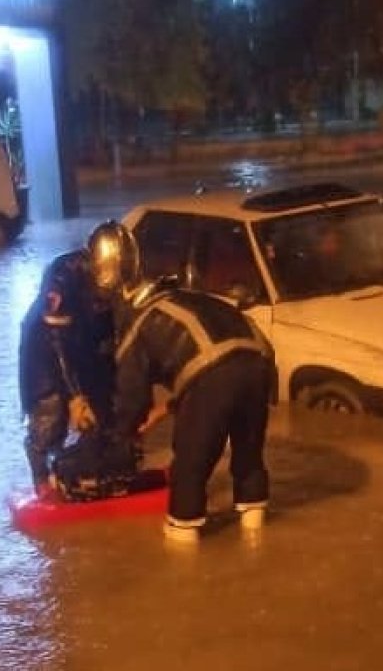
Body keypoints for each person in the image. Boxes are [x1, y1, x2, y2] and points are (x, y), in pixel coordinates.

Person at [87, 220, 276, 544]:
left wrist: (120, 438)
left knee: (190, 464)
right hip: (260, 360)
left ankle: (182, 538)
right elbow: (206, 358)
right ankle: (254, 532)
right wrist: (170, 407)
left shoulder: (139, 322)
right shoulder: (183, 296)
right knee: (249, 455)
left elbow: (131, 398)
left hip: (215, 374)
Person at [18, 248, 118, 501]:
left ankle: (86, 476)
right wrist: (75, 396)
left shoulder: (86, 279)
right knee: (49, 425)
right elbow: (57, 345)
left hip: (75, 360)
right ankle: (44, 485)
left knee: (97, 422)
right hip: (44, 376)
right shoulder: (59, 288)